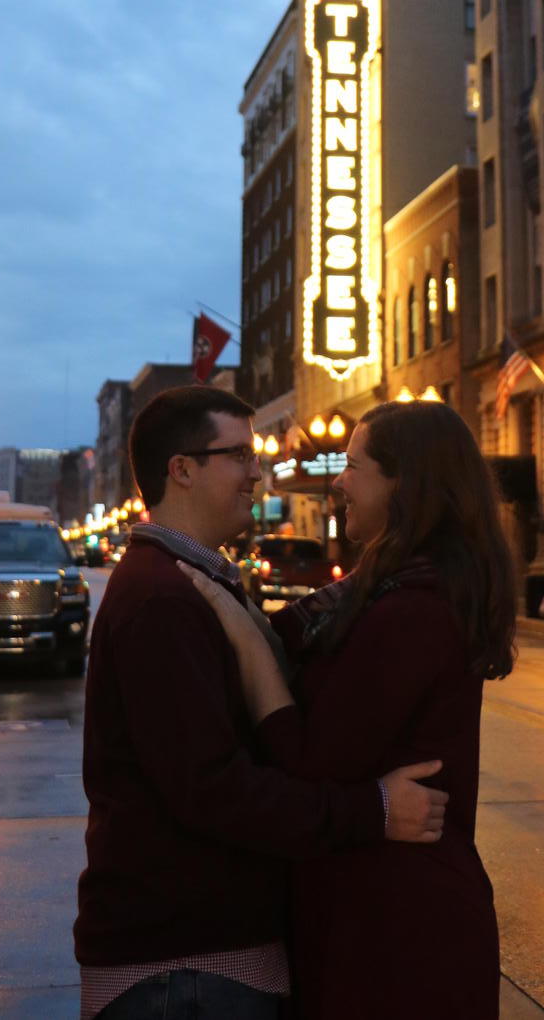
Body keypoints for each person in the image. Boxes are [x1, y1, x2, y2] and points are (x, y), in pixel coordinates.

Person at [74, 385, 448, 1020]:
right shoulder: (163, 600)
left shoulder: (193, 582)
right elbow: (213, 789)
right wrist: (373, 810)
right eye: (239, 455)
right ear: (183, 470)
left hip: (201, 962)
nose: (258, 470)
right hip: (185, 972)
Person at [181, 398, 517, 1020]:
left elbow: (311, 762)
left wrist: (246, 641)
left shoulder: (413, 612)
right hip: (376, 915)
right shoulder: (387, 593)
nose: (337, 479)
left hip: (399, 937)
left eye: (355, 465)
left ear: (403, 485)